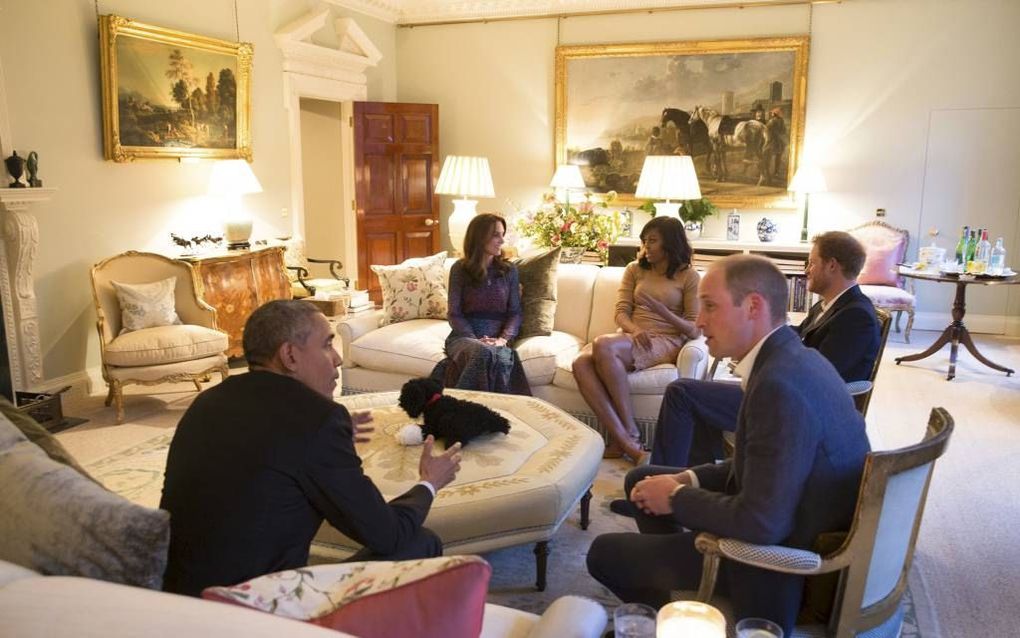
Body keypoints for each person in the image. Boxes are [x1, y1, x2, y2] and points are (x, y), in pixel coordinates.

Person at [587, 255, 870, 636]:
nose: (699, 322)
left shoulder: (778, 386)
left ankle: (686, 606)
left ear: (753, 306)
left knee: (603, 552)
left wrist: (676, 498)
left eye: (710, 306)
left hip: (774, 565)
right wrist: (687, 478)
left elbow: (762, 523)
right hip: (793, 514)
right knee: (642, 478)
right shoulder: (795, 359)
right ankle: (686, 596)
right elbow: (761, 463)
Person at [160, 300, 462, 596]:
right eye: (327, 344)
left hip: (178, 599)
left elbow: (262, 446)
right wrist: (429, 483)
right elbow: (387, 534)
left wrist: (321, 438)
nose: (338, 359)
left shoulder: (207, 402)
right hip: (254, 610)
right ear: (290, 356)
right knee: (419, 542)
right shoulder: (318, 421)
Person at [646, 230, 879, 469]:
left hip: (789, 407)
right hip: (784, 391)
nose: (806, 270)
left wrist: (761, 363)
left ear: (832, 266)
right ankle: (694, 478)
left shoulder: (856, 316)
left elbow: (821, 376)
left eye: (812, 263)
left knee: (682, 393)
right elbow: (796, 337)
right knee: (698, 394)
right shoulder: (828, 305)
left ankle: (664, 482)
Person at [572, 216, 700, 465]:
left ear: (670, 243)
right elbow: (621, 312)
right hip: (631, 336)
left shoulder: (689, 276)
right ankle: (628, 440)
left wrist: (661, 311)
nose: (646, 247)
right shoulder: (634, 269)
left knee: (602, 344)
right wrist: (633, 329)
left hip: (665, 340)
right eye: (644, 241)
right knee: (580, 364)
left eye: (653, 241)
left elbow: (693, 330)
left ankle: (626, 436)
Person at [431, 213, 530, 395]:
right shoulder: (460, 269)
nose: (502, 240)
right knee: (483, 352)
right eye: (496, 235)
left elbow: (515, 313)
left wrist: (503, 340)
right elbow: (455, 313)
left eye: (503, 234)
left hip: (497, 338)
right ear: (480, 237)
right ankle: (464, 407)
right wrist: (474, 339)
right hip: (464, 338)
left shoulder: (509, 271)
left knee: (500, 357)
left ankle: (483, 410)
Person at [761, 107, 788, 185]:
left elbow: (765, 129)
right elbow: (784, 130)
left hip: (772, 141)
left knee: (765, 155)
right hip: (780, 142)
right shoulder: (782, 121)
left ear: (775, 114)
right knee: (778, 157)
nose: (771, 113)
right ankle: (776, 172)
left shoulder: (772, 121)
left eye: (772, 113)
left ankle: (766, 173)